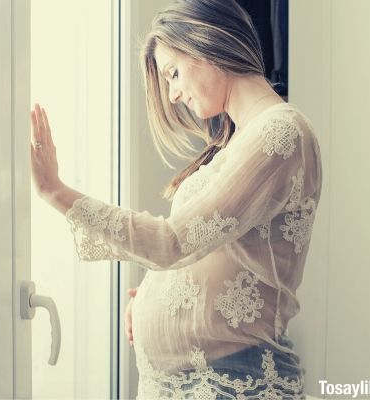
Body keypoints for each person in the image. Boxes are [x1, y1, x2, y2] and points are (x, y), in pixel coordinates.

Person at [29, 0, 322, 398]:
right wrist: (160, 290)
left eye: (173, 73)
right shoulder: (241, 140)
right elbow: (211, 250)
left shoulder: (279, 133)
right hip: (196, 382)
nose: (172, 94)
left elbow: (174, 241)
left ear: (207, 44)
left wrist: (57, 192)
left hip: (232, 382)